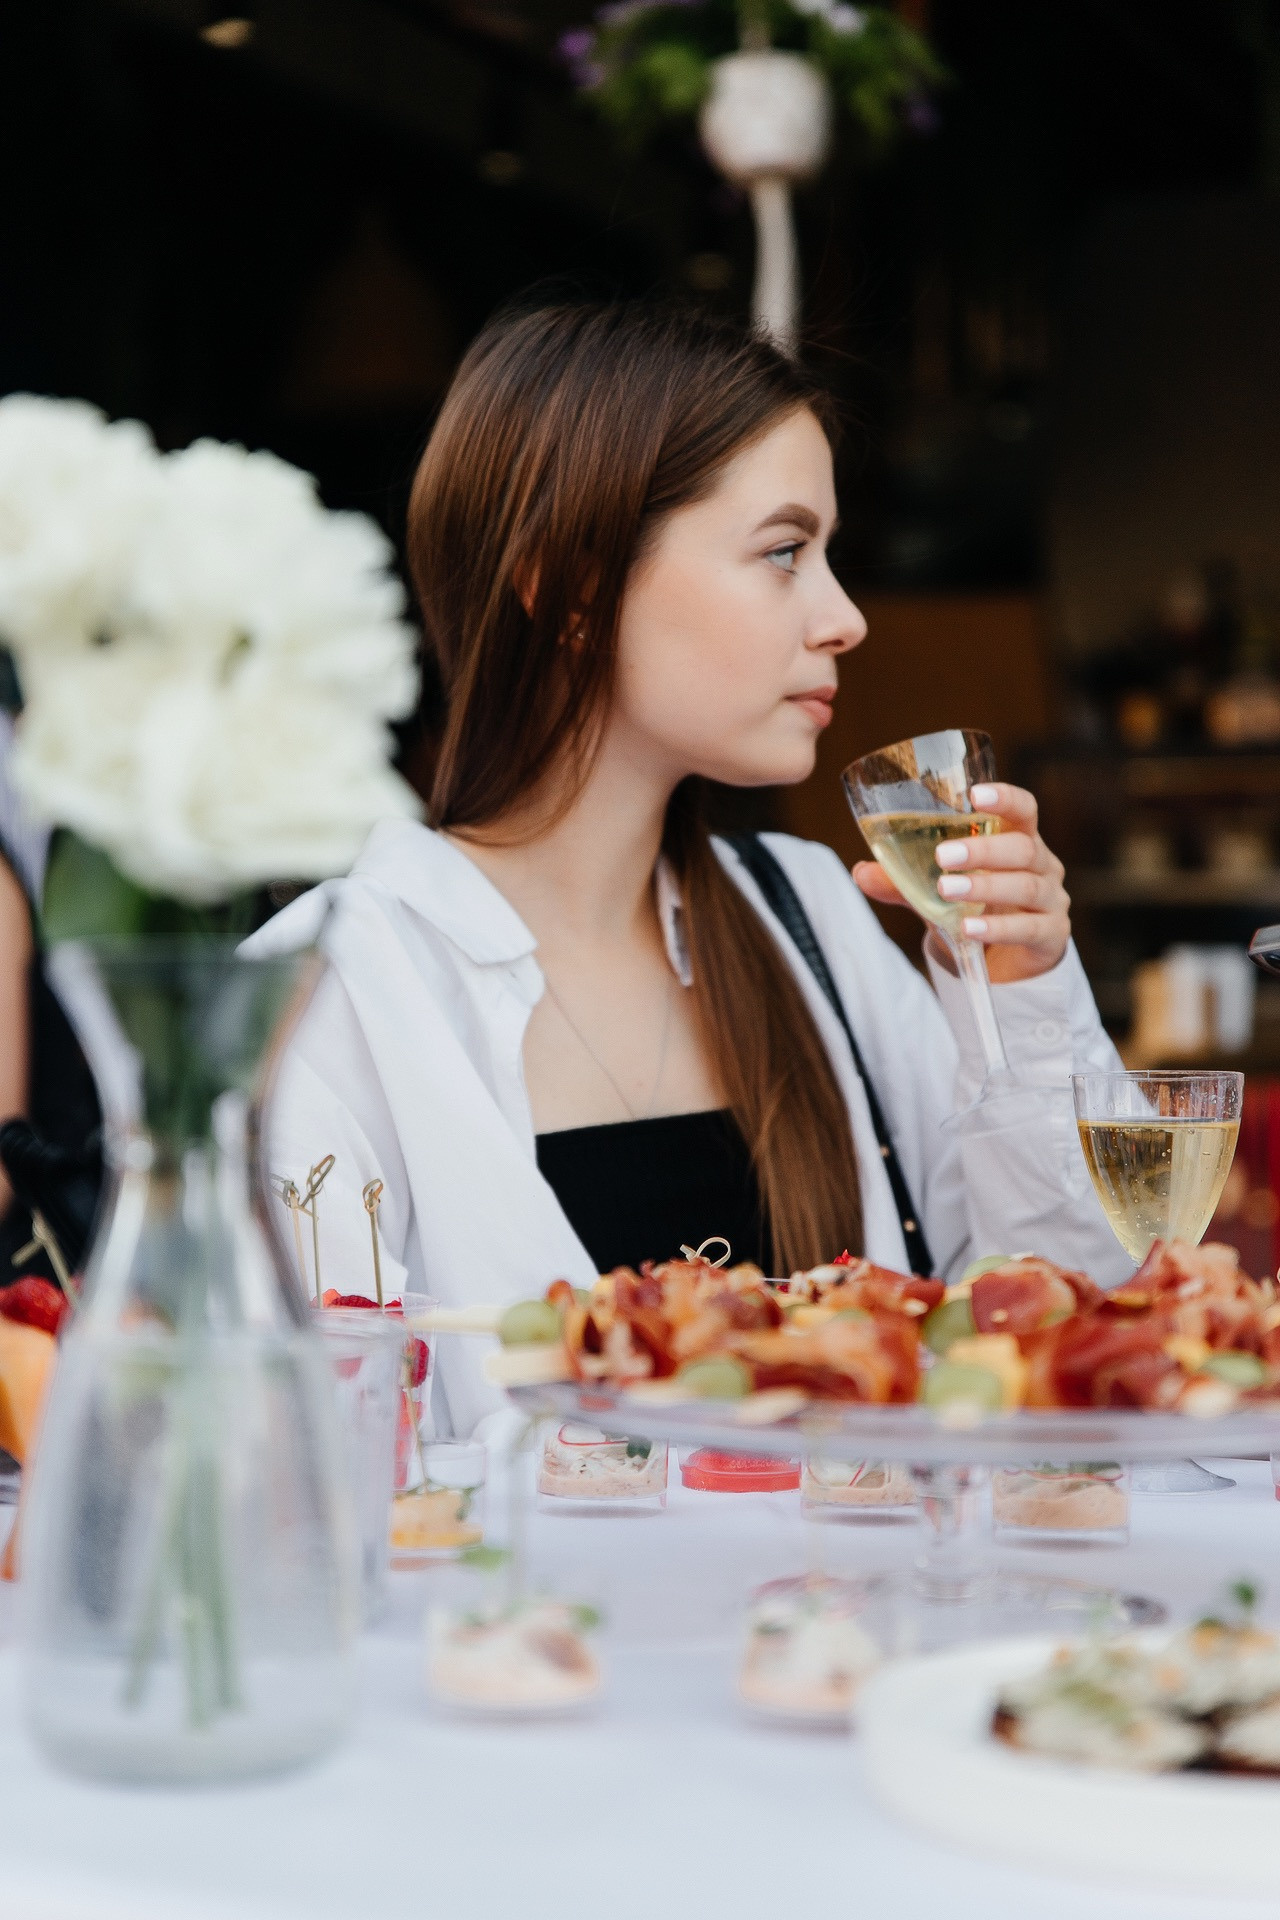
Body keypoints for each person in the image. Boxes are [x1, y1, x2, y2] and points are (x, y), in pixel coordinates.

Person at [245, 299, 1126, 1436]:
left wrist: (1022, 1000)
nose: (845, 618)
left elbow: (1060, 1342)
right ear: (568, 588)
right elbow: (307, 1466)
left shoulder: (809, 917)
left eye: (828, 555)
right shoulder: (332, 992)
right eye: (781, 552)